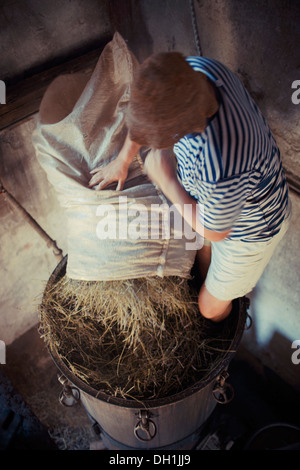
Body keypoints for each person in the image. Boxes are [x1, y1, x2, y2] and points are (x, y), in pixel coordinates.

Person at [89, 52, 291, 324]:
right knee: (200, 251)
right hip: (217, 200)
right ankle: (210, 282)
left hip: (250, 228)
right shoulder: (197, 71)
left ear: (184, 130)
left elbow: (217, 231)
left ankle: (220, 320)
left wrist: (168, 181)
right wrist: (123, 161)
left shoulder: (222, 162)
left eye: (161, 139)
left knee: (208, 307)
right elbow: (148, 110)